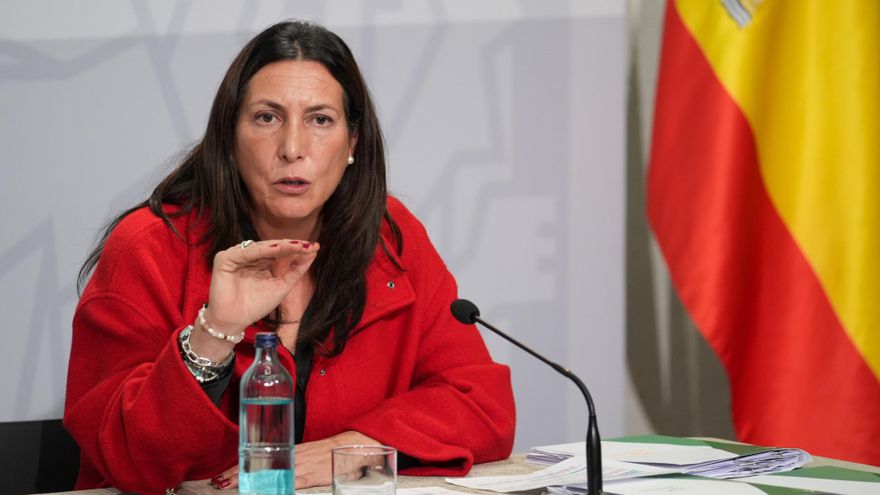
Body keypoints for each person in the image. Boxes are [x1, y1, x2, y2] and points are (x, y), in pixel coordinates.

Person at [63, 19, 515, 494]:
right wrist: (212, 336)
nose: (293, 149)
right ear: (230, 137)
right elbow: (127, 458)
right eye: (267, 117)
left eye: (320, 120)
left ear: (352, 143)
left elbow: (483, 405)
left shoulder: (390, 235)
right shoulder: (149, 247)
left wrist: (353, 450)